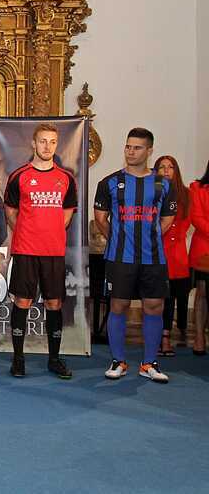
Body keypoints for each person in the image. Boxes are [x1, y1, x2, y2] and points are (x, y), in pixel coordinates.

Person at [94, 128, 177, 383]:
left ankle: (149, 363)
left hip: (153, 259)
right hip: (120, 258)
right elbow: (101, 219)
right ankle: (118, 361)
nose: (131, 151)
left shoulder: (163, 185)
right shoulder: (109, 182)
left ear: (149, 151)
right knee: (118, 306)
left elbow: (167, 220)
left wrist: (149, 237)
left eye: (137, 147)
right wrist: (119, 239)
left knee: (154, 307)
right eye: (128, 146)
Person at [4, 123, 78, 378]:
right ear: (34, 144)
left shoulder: (66, 178)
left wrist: (51, 230)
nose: (48, 146)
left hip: (54, 251)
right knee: (22, 302)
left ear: (57, 145)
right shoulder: (19, 176)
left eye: (52, 142)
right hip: (26, 249)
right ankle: (18, 359)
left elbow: (67, 213)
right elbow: (10, 212)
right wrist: (28, 230)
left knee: (54, 303)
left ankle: (54, 359)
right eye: (43, 141)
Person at [153, 155, 192, 355]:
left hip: (177, 254)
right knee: (159, 298)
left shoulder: (186, 194)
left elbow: (187, 220)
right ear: (156, 171)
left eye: (170, 167)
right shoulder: (151, 192)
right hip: (157, 250)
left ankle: (167, 336)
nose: (166, 170)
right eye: (162, 167)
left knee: (173, 296)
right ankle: (161, 338)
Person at [189, 160, 209, 355]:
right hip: (205, 248)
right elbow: (196, 217)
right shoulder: (197, 188)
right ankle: (199, 336)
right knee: (202, 292)